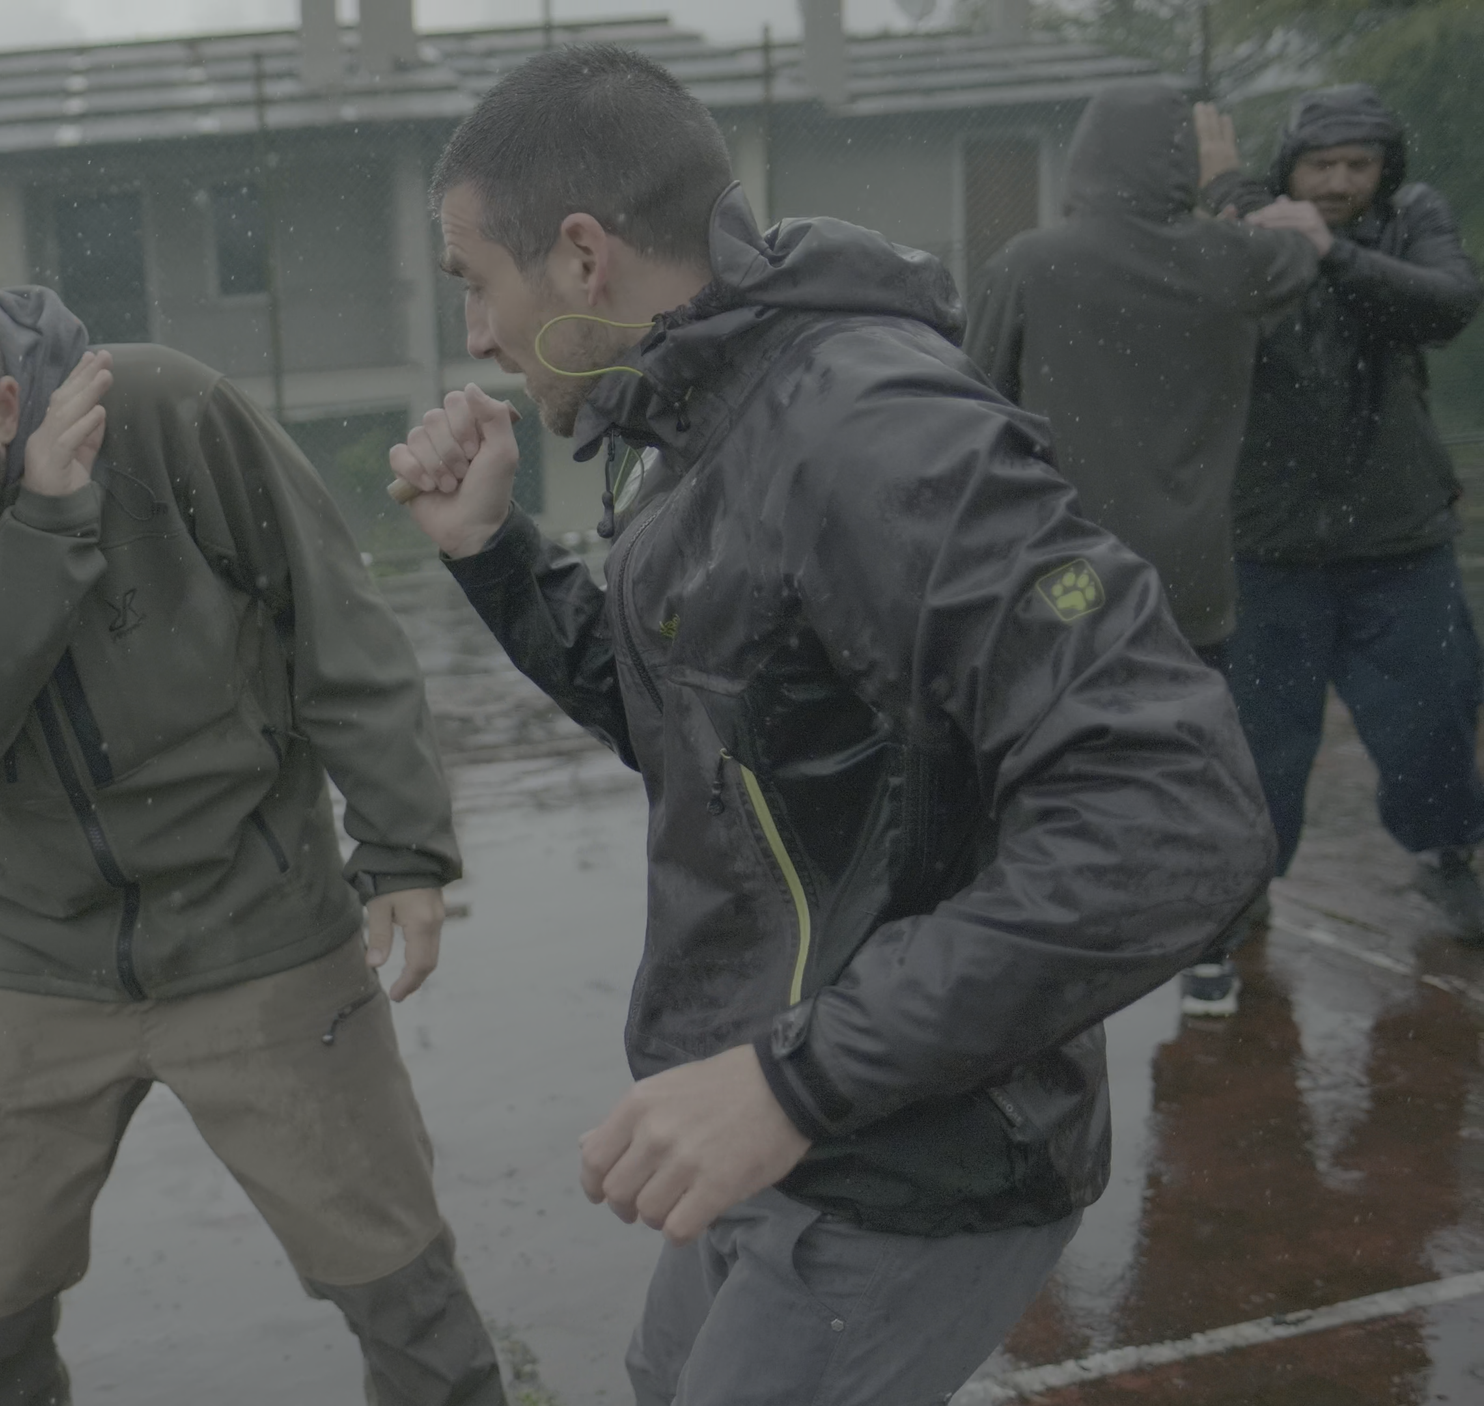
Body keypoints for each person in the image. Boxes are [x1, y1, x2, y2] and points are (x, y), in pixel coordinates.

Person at [386, 47, 1273, 1405]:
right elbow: (719, 725)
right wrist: (495, 554)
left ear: (580, 257)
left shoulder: (869, 427)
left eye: (474, 282)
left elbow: (1178, 817)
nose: (476, 336)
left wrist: (795, 1081)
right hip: (781, 1109)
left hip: (912, 1153)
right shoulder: (704, 411)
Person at [0, 268, 505, 1406]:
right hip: (35, 956)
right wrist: (40, 528)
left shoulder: (160, 412)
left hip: (258, 925)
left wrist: (404, 841)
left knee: (404, 1298)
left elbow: (331, 614)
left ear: (3, 407)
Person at [965, 81, 1319, 1017]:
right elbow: (1307, 246)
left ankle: (1050, 959)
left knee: (1055, 770)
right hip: (1195, 582)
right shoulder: (1236, 262)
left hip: (1066, 580)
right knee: (1201, 767)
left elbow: (972, 407)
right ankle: (1212, 954)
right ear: (1183, 162)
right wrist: (1227, 187)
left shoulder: (1030, 264)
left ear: (1085, 159)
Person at [1199, 84, 1484, 946]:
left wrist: (1331, 252)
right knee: (1264, 737)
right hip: (1269, 541)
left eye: (1360, 164)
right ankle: (1248, 881)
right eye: (1321, 164)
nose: (1339, 181)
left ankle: (1447, 854)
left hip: (1400, 536)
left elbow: (1448, 303)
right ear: (1290, 166)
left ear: (1386, 170)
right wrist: (1232, 200)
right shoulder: (1251, 224)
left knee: (1434, 714)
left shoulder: (1412, 219)